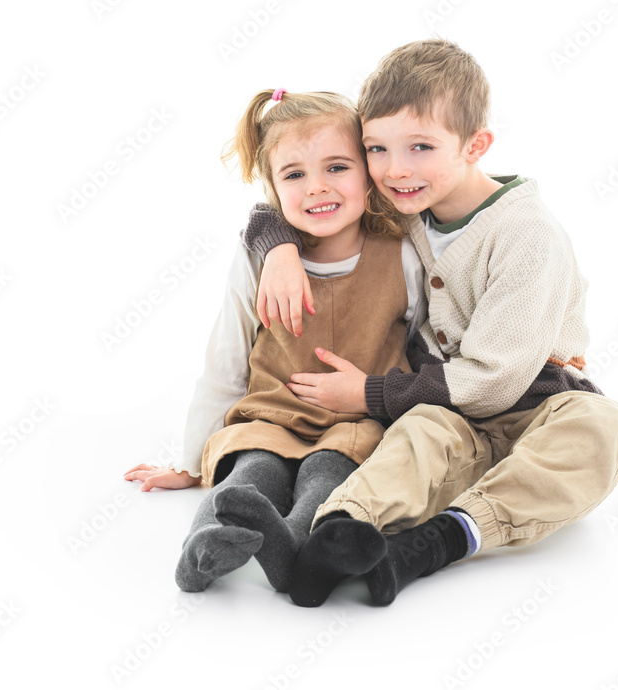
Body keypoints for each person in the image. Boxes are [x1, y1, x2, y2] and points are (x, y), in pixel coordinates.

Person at [241, 39, 618, 607]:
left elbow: (496, 382)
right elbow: (301, 198)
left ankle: (441, 540)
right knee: (417, 434)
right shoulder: (404, 204)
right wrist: (278, 246)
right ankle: (336, 534)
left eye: (421, 147)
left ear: (475, 145)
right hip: (445, 412)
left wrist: (369, 393)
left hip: (537, 404)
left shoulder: (528, 236)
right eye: (376, 149)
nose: (395, 169)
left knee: (603, 429)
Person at [123, 88, 425, 594]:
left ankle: (288, 547)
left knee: (327, 477)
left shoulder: (402, 256)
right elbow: (226, 358)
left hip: (354, 424)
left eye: (337, 167)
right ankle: (205, 545)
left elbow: (423, 344)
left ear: (368, 174)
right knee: (251, 473)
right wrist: (191, 462)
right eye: (294, 175)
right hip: (269, 418)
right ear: (273, 189)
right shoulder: (259, 258)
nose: (317, 187)